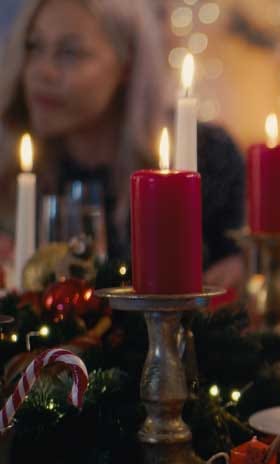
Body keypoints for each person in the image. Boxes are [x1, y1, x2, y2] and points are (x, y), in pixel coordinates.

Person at [0, 0, 245, 289]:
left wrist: (242, 269)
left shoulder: (204, 154)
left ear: (127, 64)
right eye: (34, 47)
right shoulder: (15, 167)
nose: (42, 71)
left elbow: (242, 276)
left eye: (69, 53)